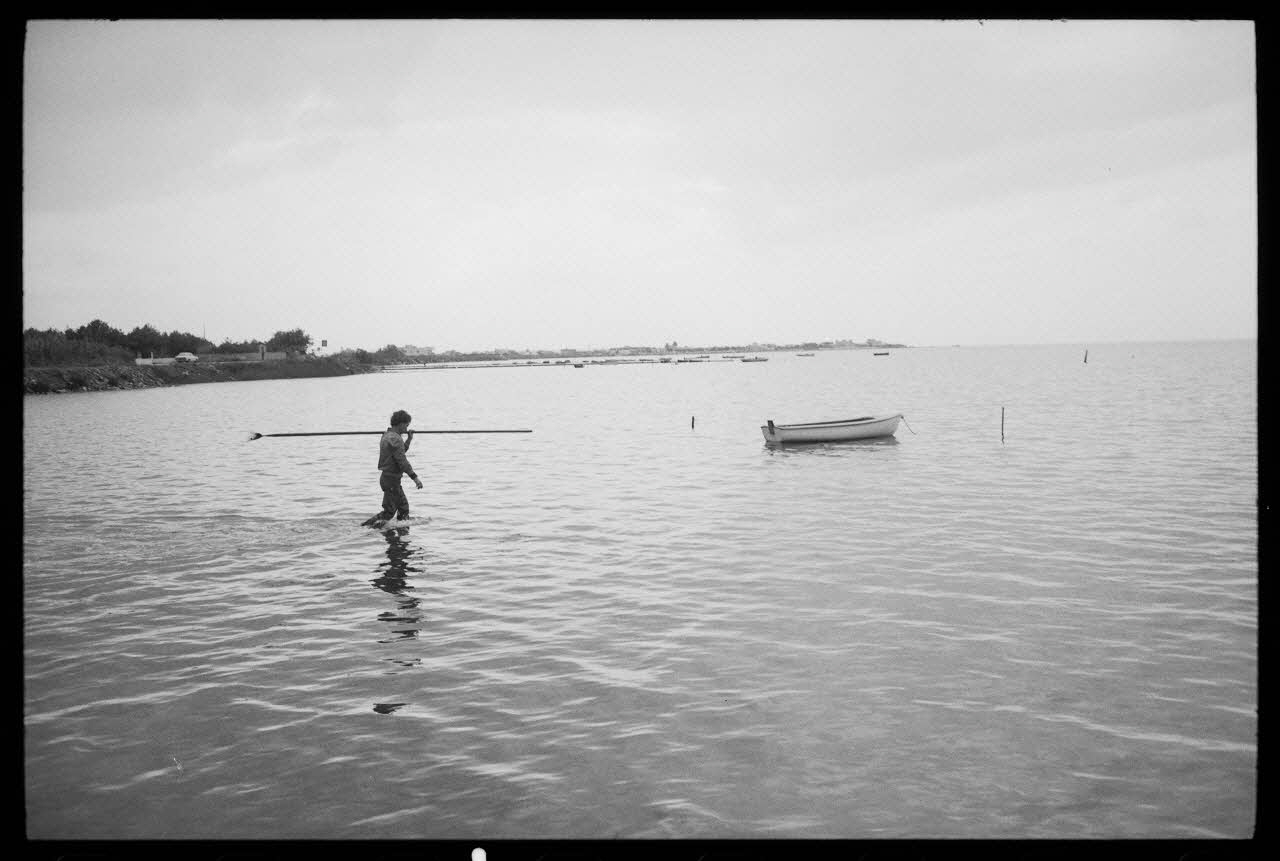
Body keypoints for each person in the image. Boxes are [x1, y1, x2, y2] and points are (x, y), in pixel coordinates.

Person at [364, 409, 423, 527]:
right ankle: (365, 527)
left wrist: (409, 439)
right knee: (389, 512)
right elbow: (402, 461)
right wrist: (415, 478)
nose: (407, 428)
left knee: (403, 508)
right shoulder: (396, 439)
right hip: (391, 480)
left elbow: (398, 453)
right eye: (406, 425)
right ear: (400, 424)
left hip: (389, 478)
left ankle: (401, 536)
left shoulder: (387, 435)